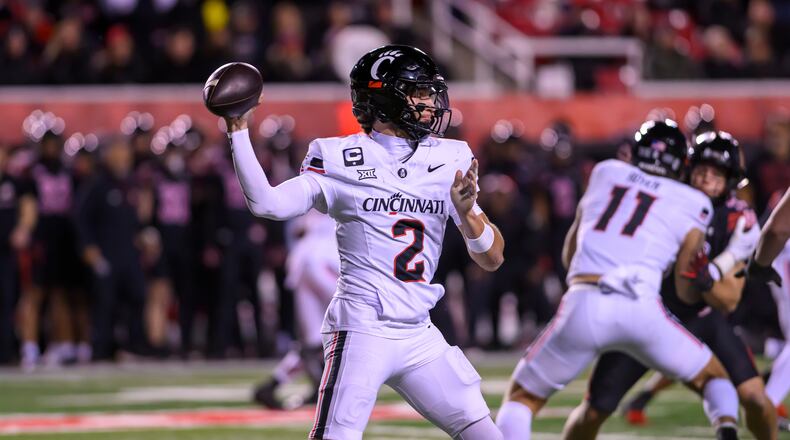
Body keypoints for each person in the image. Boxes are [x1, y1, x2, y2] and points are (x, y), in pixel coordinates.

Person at [219, 44, 505, 439]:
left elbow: (492, 258)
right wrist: (238, 129)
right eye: (417, 91)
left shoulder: (450, 158)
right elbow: (268, 204)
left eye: (428, 91)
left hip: (420, 333)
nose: (429, 102)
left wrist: (469, 213)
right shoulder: (340, 157)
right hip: (362, 327)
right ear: (386, 97)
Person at [495, 120, 739, 440]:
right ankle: (727, 430)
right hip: (643, 307)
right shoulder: (696, 203)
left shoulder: (604, 173)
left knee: (522, 399)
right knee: (715, 380)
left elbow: (571, 256)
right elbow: (683, 285)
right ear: (682, 163)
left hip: (586, 297)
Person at [565, 131, 777, 440]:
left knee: (756, 397)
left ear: (731, 180)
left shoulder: (736, 220)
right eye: (701, 169)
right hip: (646, 313)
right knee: (595, 409)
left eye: (716, 173)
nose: (706, 178)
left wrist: (708, 277)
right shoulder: (665, 199)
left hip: (702, 318)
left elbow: (729, 301)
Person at [253, 210, 339, 409]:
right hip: (326, 260)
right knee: (356, 319)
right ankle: (321, 385)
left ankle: (272, 385)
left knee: (314, 340)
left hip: (302, 260)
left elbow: (296, 229)